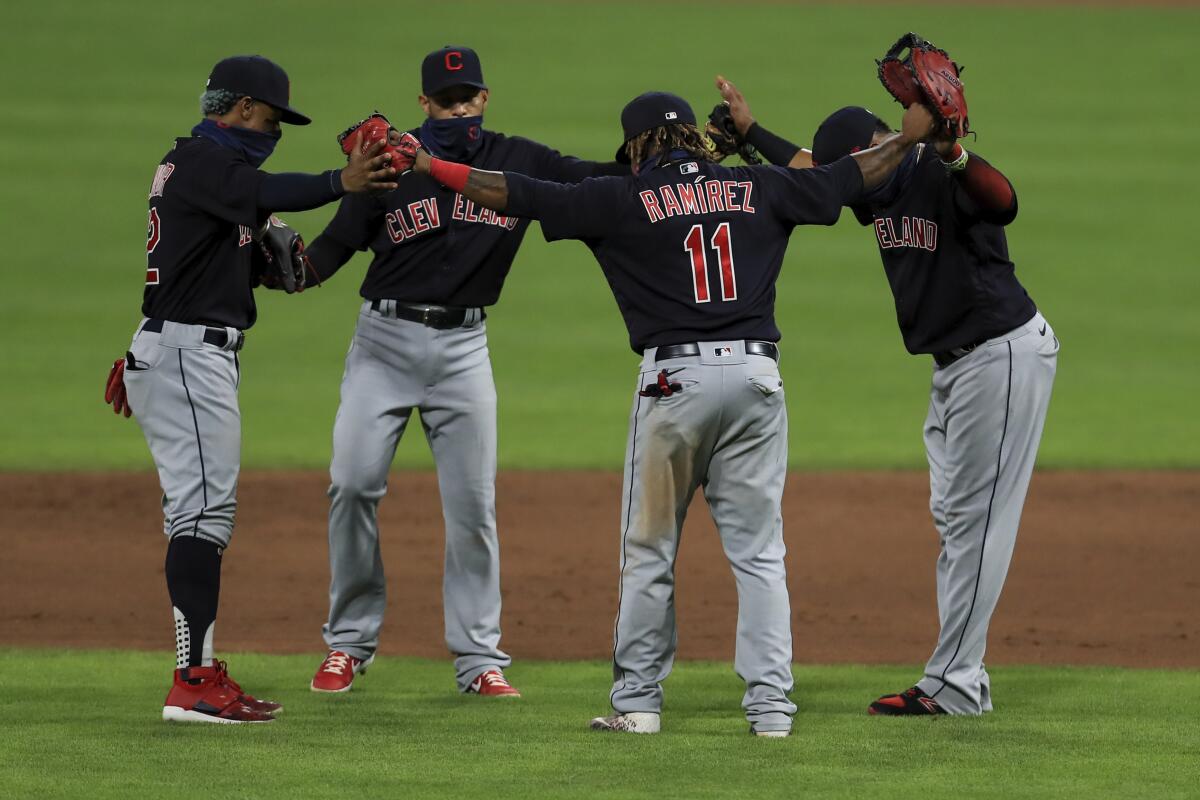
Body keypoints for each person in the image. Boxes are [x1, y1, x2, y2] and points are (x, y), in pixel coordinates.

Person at [397, 91, 936, 734]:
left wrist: (431, 167)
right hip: (757, 379)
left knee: (651, 549)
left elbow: (514, 192)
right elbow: (851, 174)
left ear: (636, 147)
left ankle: (639, 706)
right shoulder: (761, 186)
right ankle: (771, 712)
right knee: (761, 554)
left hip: (674, 385)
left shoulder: (616, 198)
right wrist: (913, 138)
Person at [713, 76, 1059, 716]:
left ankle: (954, 685)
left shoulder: (934, 172)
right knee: (956, 519)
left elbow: (1003, 200)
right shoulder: (878, 186)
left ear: (869, 154)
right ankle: (963, 678)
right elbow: (810, 172)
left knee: (976, 526)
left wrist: (953, 151)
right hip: (955, 368)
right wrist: (750, 133)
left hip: (1001, 354)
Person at [302, 46, 627, 697]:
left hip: (463, 351)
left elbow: (597, 179)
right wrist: (281, 266)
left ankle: (478, 658)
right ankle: (348, 644)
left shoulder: (520, 161)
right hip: (383, 345)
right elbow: (332, 250)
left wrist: (662, 155)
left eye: (468, 97)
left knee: (473, 507)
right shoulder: (390, 162)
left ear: (485, 97)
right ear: (423, 104)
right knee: (351, 484)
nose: (459, 109)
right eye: (445, 100)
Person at [105, 55, 397, 724]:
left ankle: (198, 673)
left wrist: (362, 200)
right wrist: (340, 178)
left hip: (178, 349)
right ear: (238, 109)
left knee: (200, 516)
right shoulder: (208, 163)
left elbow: (293, 270)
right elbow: (278, 191)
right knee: (201, 518)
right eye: (269, 120)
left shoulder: (217, 179)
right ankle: (193, 682)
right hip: (185, 353)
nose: (273, 134)